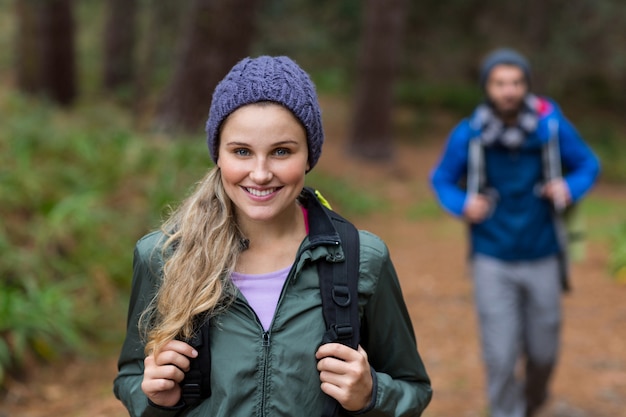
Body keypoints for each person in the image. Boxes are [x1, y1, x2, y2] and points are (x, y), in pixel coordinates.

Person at [114, 55, 432, 417]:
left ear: (309, 155)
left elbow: (413, 389)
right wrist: (153, 399)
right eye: (242, 152)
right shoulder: (163, 256)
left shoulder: (361, 259)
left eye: (281, 151)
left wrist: (371, 394)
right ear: (217, 154)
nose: (261, 173)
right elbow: (131, 376)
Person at [430, 48, 600, 417]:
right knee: (501, 355)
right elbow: (441, 179)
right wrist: (463, 204)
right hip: (493, 258)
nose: (508, 91)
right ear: (487, 88)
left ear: (526, 85)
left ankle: (532, 402)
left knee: (543, 353)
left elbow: (588, 164)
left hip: (543, 254)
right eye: (499, 83)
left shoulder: (550, 127)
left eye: (516, 82)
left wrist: (568, 187)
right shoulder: (471, 133)